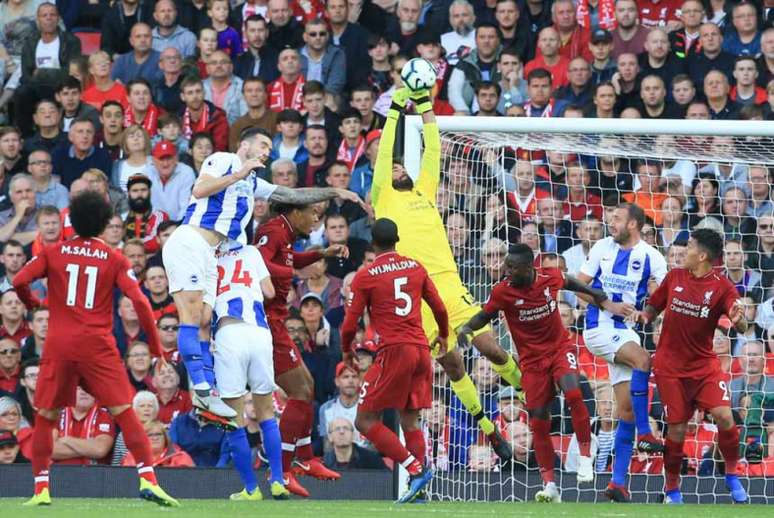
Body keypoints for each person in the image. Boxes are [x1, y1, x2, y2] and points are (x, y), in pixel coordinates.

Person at [162, 127, 357, 428]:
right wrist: (239, 174)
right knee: (191, 318)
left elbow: (291, 195)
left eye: (270, 146)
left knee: (204, 320)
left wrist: (333, 191)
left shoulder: (253, 181)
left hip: (213, 254)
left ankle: (206, 391)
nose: (268, 150)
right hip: (192, 241)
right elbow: (200, 191)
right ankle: (202, 390)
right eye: (264, 144)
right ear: (244, 145)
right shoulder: (224, 159)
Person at [372, 87, 522, 461]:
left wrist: (424, 107)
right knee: (452, 364)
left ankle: (526, 390)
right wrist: (394, 109)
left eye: (402, 165)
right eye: (394, 167)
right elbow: (386, 149)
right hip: (419, 296)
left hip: (451, 285)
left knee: (488, 346)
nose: (399, 169)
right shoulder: (383, 197)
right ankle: (489, 431)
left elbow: (434, 148)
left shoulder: (423, 189)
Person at [12, 190, 177, 507]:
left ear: (71, 220)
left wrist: (33, 304)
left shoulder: (54, 252)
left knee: (46, 417)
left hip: (59, 345)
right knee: (125, 412)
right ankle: (148, 478)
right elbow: (141, 303)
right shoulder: (115, 258)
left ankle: (41, 489)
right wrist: (156, 348)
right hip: (97, 347)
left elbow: (19, 279)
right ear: (103, 223)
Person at [459, 244, 618, 501]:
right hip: (531, 362)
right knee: (538, 419)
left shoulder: (548, 276)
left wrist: (595, 294)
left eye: (511, 266)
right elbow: (484, 315)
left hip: (558, 349)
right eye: (505, 265)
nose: (505, 269)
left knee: (574, 393)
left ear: (528, 267)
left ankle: (586, 459)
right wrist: (466, 329)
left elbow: (570, 282)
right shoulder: (503, 291)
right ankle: (550, 485)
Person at [633, 229, 749, 504]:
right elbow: (654, 306)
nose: (683, 252)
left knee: (724, 416)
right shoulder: (675, 277)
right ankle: (672, 489)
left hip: (704, 367)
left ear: (702, 255)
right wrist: (645, 316)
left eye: (689, 247)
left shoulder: (722, 287)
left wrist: (739, 319)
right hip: (670, 368)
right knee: (676, 429)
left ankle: (731, 475)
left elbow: (741, 325)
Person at [341, 218, 445, 503]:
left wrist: (346, 349)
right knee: (410, 420)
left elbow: (350, 323)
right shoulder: (415, 266)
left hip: (394, 351)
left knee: (364, 420)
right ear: (397, 239)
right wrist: (445, 336)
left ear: (373, 243)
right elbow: (438, 306)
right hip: (421, 350)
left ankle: (416, 469)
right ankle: (419, 489)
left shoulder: (367, 274)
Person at [255, 203, 353, 497]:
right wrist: (288, 269)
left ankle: (305, 458)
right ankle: (282, 471)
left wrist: (321, 253)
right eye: (313, 215)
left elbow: (292, 259)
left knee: (306, 388)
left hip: (277, 321)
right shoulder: (271, 231)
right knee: (300, 390)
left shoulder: (285, 234)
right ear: (295, 212)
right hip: (265, 322)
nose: (316, 222)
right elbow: (257, 262)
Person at [574, 202, 667, 502]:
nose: (610, 223)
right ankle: (645, 433)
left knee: (625, 409)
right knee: (644, 359)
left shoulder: (652, 258)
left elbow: (664, 296)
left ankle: (616, 483)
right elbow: (575, 286)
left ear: (633, 225)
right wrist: (607, 304)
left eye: (616, 219)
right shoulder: (602, 247)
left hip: (625, 332)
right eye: (610, 218)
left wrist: (649, 313)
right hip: (597, 327)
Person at [212, 241, 289, 500]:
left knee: (234, 418)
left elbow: (201, 311)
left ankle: (251, 489)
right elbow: (268, 291)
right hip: (258, 332)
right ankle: (278, 480)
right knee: (267, 411)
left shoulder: (207, 256)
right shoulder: (252, 251)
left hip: (228, 332)